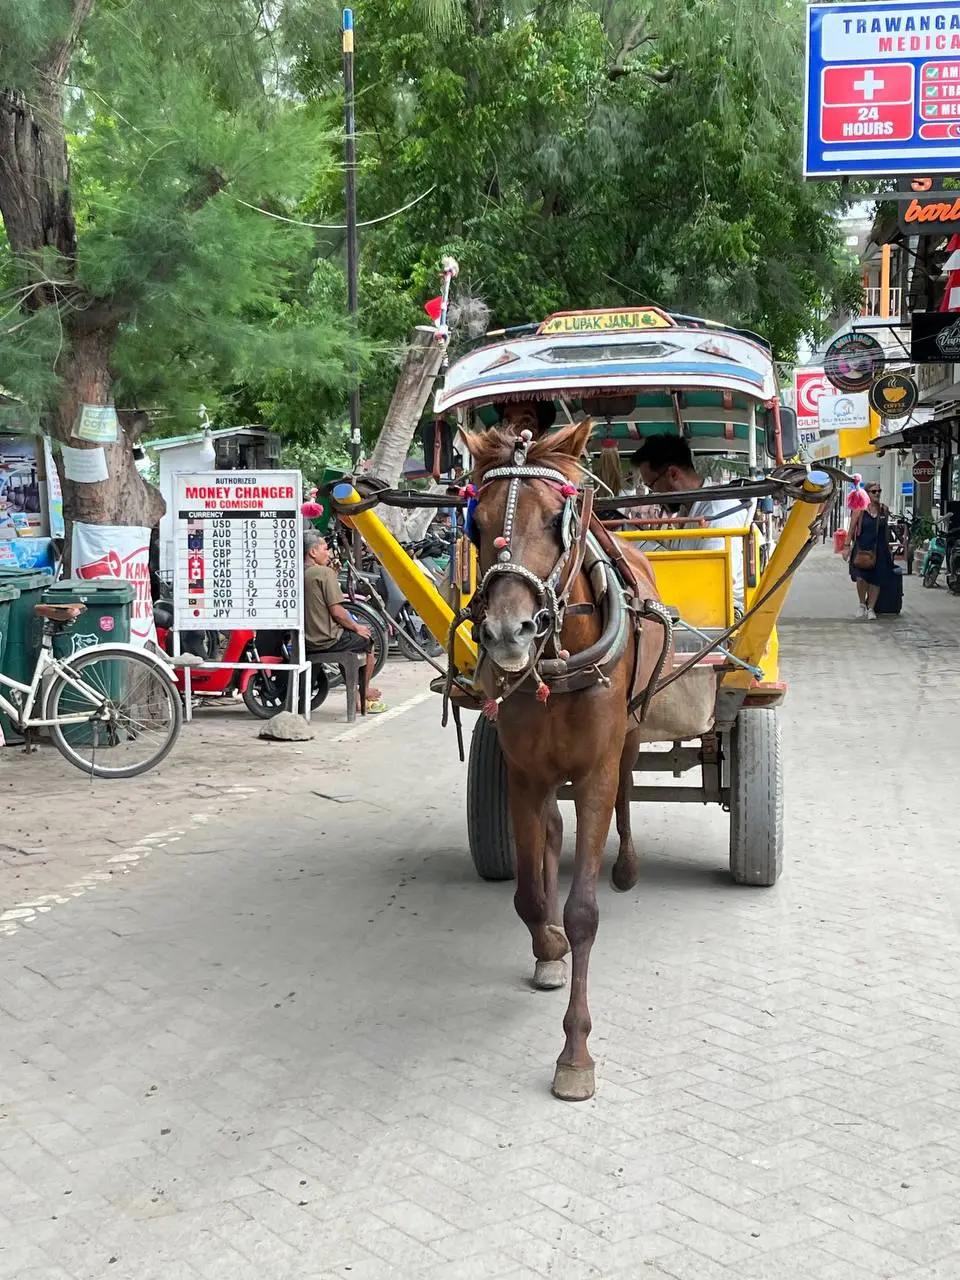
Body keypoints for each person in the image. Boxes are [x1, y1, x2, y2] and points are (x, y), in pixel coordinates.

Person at [630, 434, 755, 603]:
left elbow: (713, 580)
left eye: (652, 486)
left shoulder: (717, 510)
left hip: (723, 612)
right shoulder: (686, 510)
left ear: (673, 474)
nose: (654, 495)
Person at [303, 530, 386, 712]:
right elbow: (338, 612)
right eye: (325, 549)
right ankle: (362, 692)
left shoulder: (301, 573)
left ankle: (357, 688)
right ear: (313, 552)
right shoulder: (323, 573)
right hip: (325, 638)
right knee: (367, 640)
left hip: (305, 639)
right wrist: (357, 627)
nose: (329, 553)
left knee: (351, 641)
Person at [843, 481, 893, 621]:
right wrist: (846, 547)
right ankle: (861, 604)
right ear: (867, 493)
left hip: (879, 549)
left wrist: (889, 549)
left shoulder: (884, 509)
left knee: (876, 580)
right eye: (873, 491)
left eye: (879, 491)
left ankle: (871, 607)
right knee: (861, 577)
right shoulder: (859, 510)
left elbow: (886, 531)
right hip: (862, 548)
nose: (877, 494)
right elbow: (852, 529)